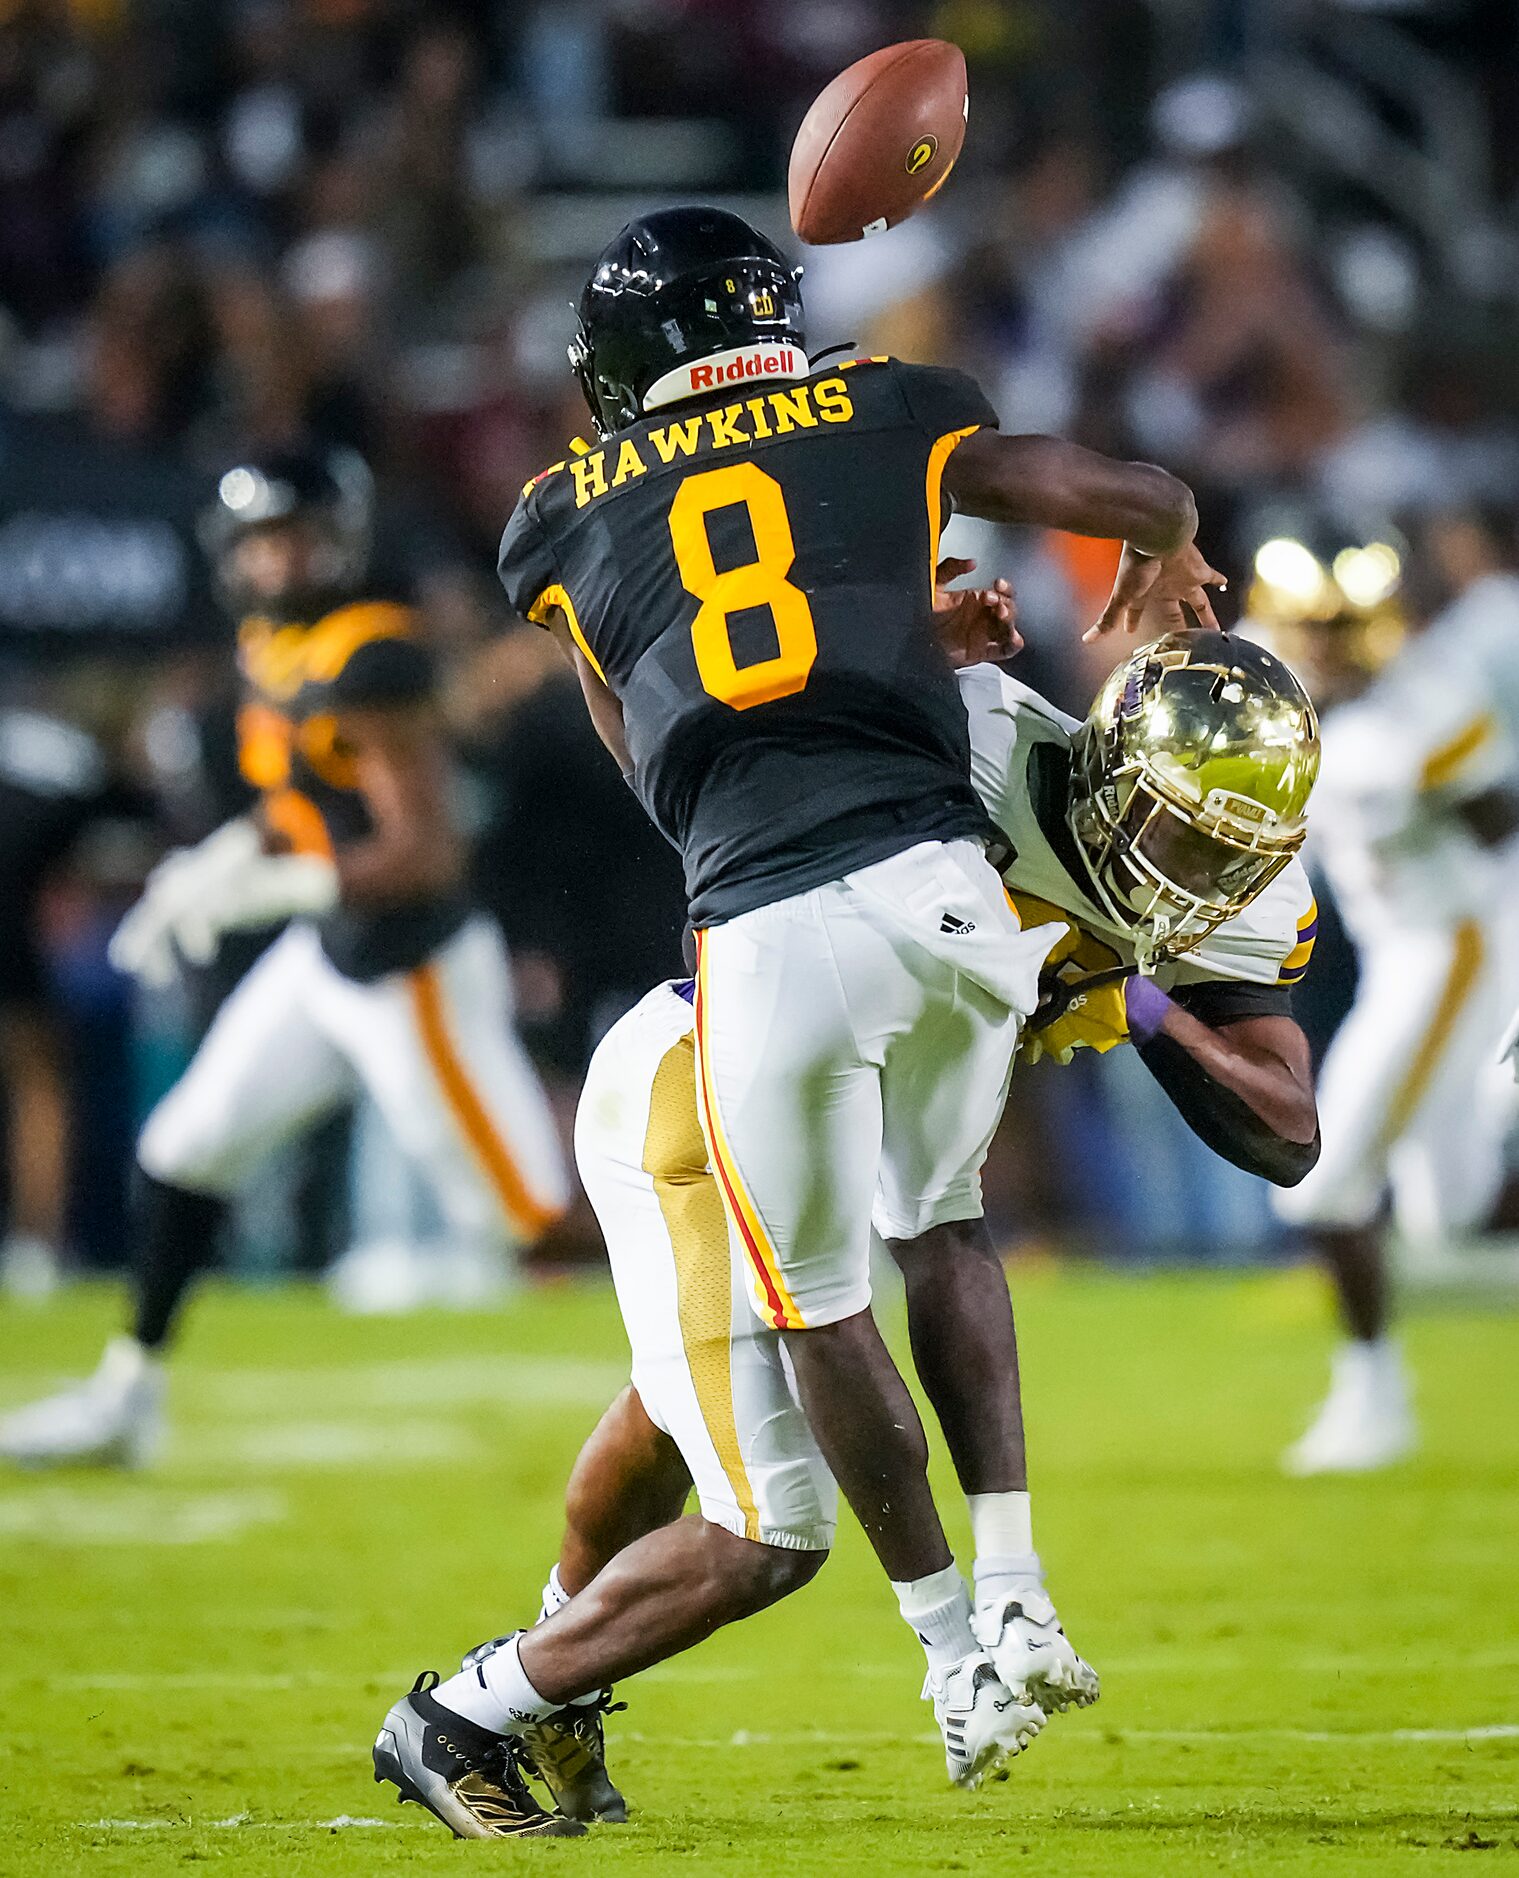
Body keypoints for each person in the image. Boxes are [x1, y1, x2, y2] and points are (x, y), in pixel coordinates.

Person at [370, 202, 1232, 1830]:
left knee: (788, 1358)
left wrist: (841, 695)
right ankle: (983, 1595)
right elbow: (1126, 492)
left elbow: (662, 735)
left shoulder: (562, 512)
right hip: (939, 906)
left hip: (753, 939)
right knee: (914, 1253)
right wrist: (1162, 544)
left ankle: (918, 1649)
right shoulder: (889, 403)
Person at [373, 626, 1323, 1835]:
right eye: (1180, 831)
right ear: (1103, 775)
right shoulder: (963, 747)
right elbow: (756, 918)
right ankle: (471, 1709)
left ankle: (554, 1670)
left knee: (678, 1413)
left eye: (1231, 853)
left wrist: (1145, 1012)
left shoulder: (1195, 910)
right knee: (768, 1523)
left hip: (866, 1100)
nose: (1197, 876)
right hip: (713, 1087)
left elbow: (1281, 1134)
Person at [0, 447, 568, 1470]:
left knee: (531, 1215)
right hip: (331, 959)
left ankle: (742, 1319)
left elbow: (425, 852)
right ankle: (127, 1395)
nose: (281, 560)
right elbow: (302, 801)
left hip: (415, 974)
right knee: (184, 1147)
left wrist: (292, 882)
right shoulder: (273, 645)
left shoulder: (371, 653)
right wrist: (222, 861)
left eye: (298, 537)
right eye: (264, 540)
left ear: (341, 540)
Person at [1246, 528, 1519, 1473]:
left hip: (1456, 948)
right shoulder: (1265, 689)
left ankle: (1373, 1399)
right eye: (1308, 626)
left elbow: (1501, 841)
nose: (1322, 645)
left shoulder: (1425, 708)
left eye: (1341, 625)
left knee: (1326, 1179)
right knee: (1452, 1214)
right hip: (1394, 945)